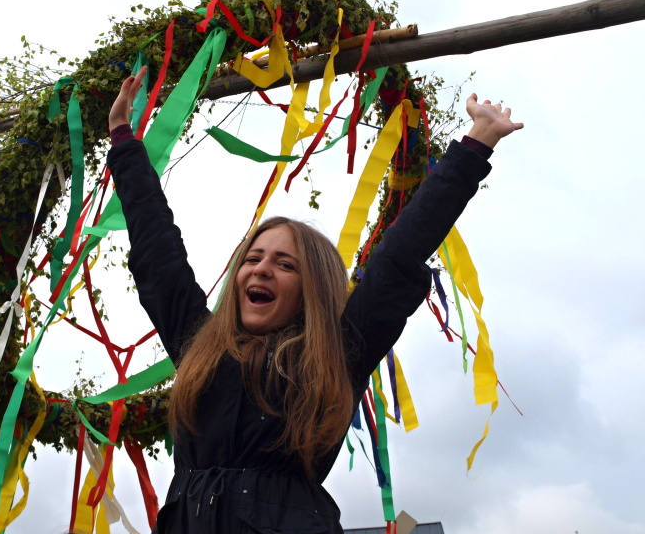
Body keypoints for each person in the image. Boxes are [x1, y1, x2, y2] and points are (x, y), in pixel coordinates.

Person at [107, 67, 523, 534]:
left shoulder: (336, 353)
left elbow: (400, 254)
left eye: (285, 264)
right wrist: (122, 139)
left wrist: (477, 142)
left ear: (313, 290)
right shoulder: (199, 345)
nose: (261, 269)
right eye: (253, 258)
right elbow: (156, 251)